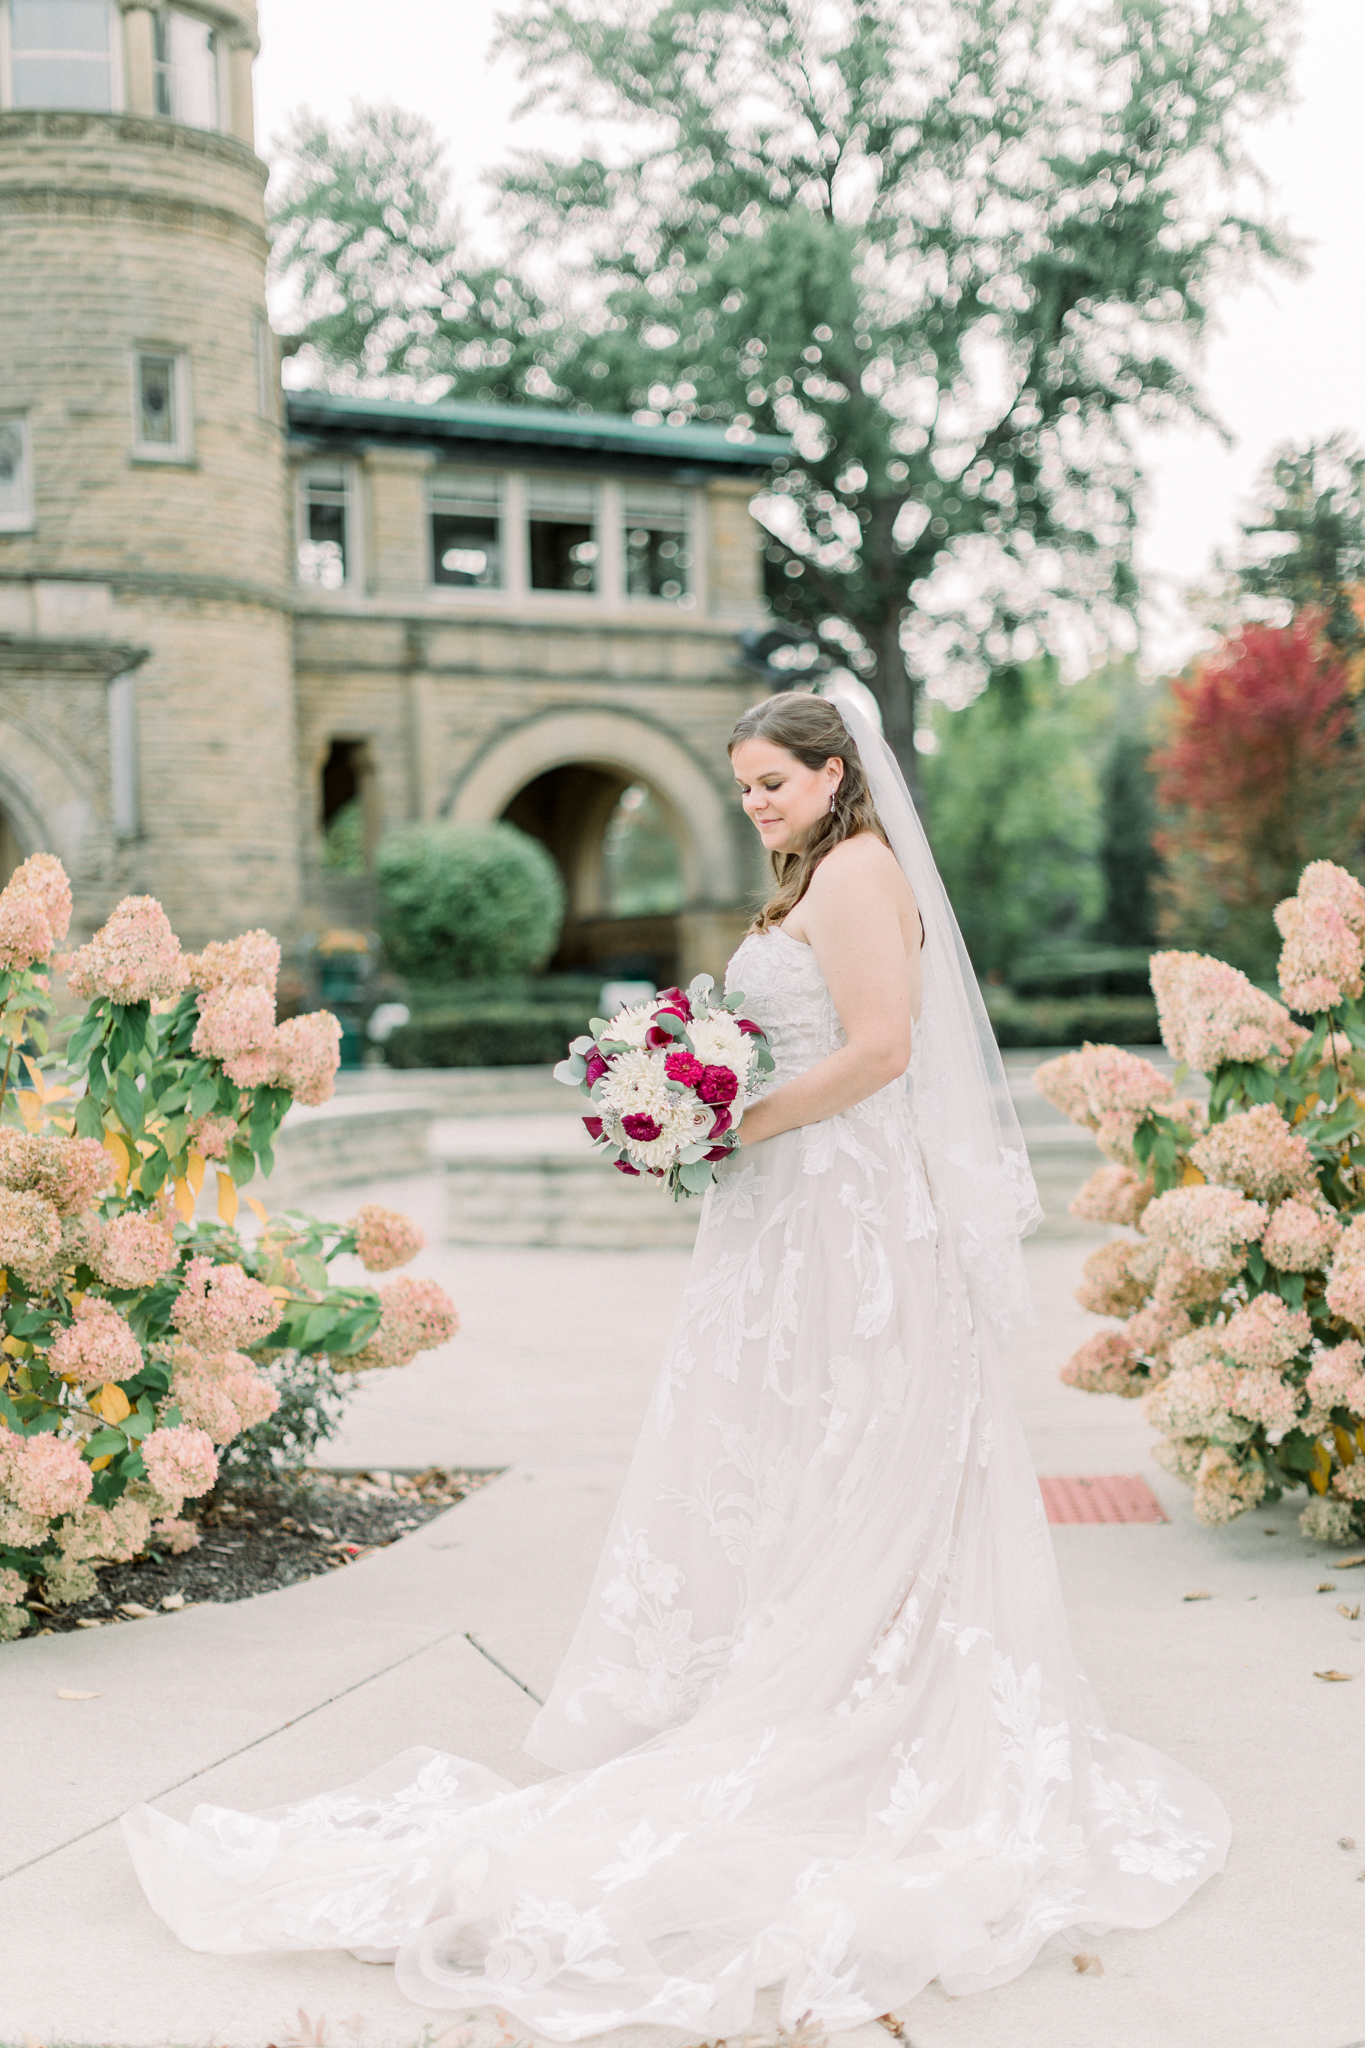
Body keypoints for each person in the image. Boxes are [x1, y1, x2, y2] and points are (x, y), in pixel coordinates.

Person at [123, 692, 1229, 2039]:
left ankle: (863, 1702)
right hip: (792, 1211)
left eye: (773, 783)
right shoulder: (818, 875)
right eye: (744, 787)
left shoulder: (867, 872)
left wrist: (730, 1118)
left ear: (837, 778)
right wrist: (683, 1096)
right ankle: (793, 1668)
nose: (755, 804)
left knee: (864, 1445)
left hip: (850, 1217)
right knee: (793, 1454)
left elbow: (881, 1052)